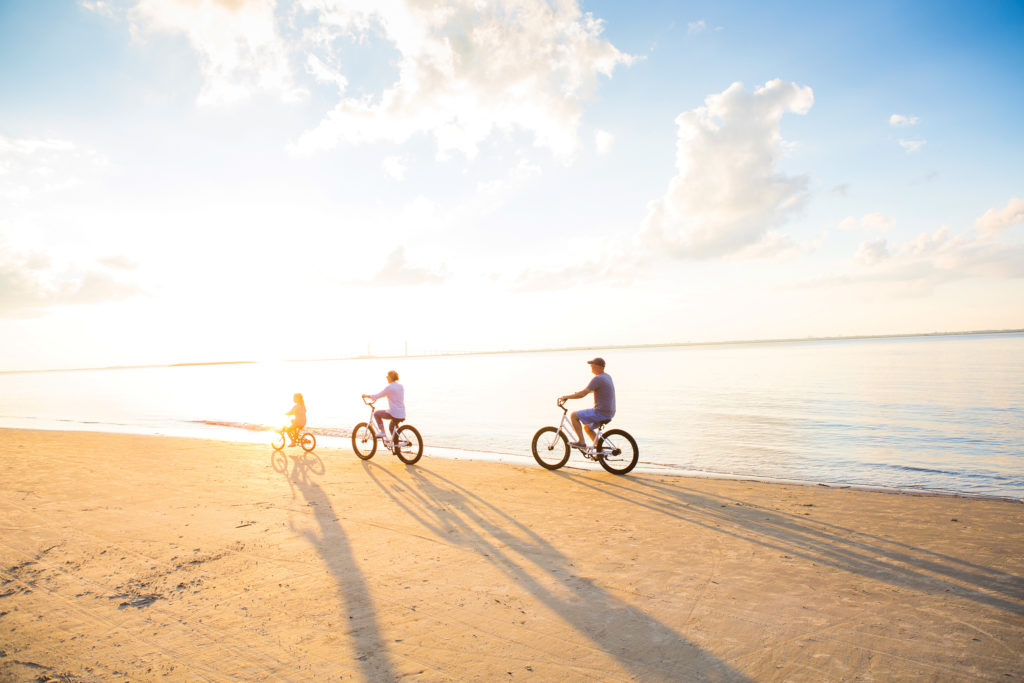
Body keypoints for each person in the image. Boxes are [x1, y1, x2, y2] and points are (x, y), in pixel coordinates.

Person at [559, 357, 615, 449]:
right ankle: (598, 449)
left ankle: (581, 442)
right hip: (610, 412)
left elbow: (583, 394)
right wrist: (578, 393)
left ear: (598, 366)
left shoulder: (597, 379)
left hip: (601, 412)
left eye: (593, 365)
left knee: (574, 415)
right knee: (587, 428)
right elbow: (595, 390)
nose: (591, 367)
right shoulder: (607, 376)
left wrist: (566, 397)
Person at [362, 370, 405, 440]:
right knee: (392, 427)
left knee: (376, 414)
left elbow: (377, 395)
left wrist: (366, 396)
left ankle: (382, 432)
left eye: (387, 376)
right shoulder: (400, 386)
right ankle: (396, 448)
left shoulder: (389, 388)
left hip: (394, 413)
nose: (386, 378)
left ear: (391, 377)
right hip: (402, 413)